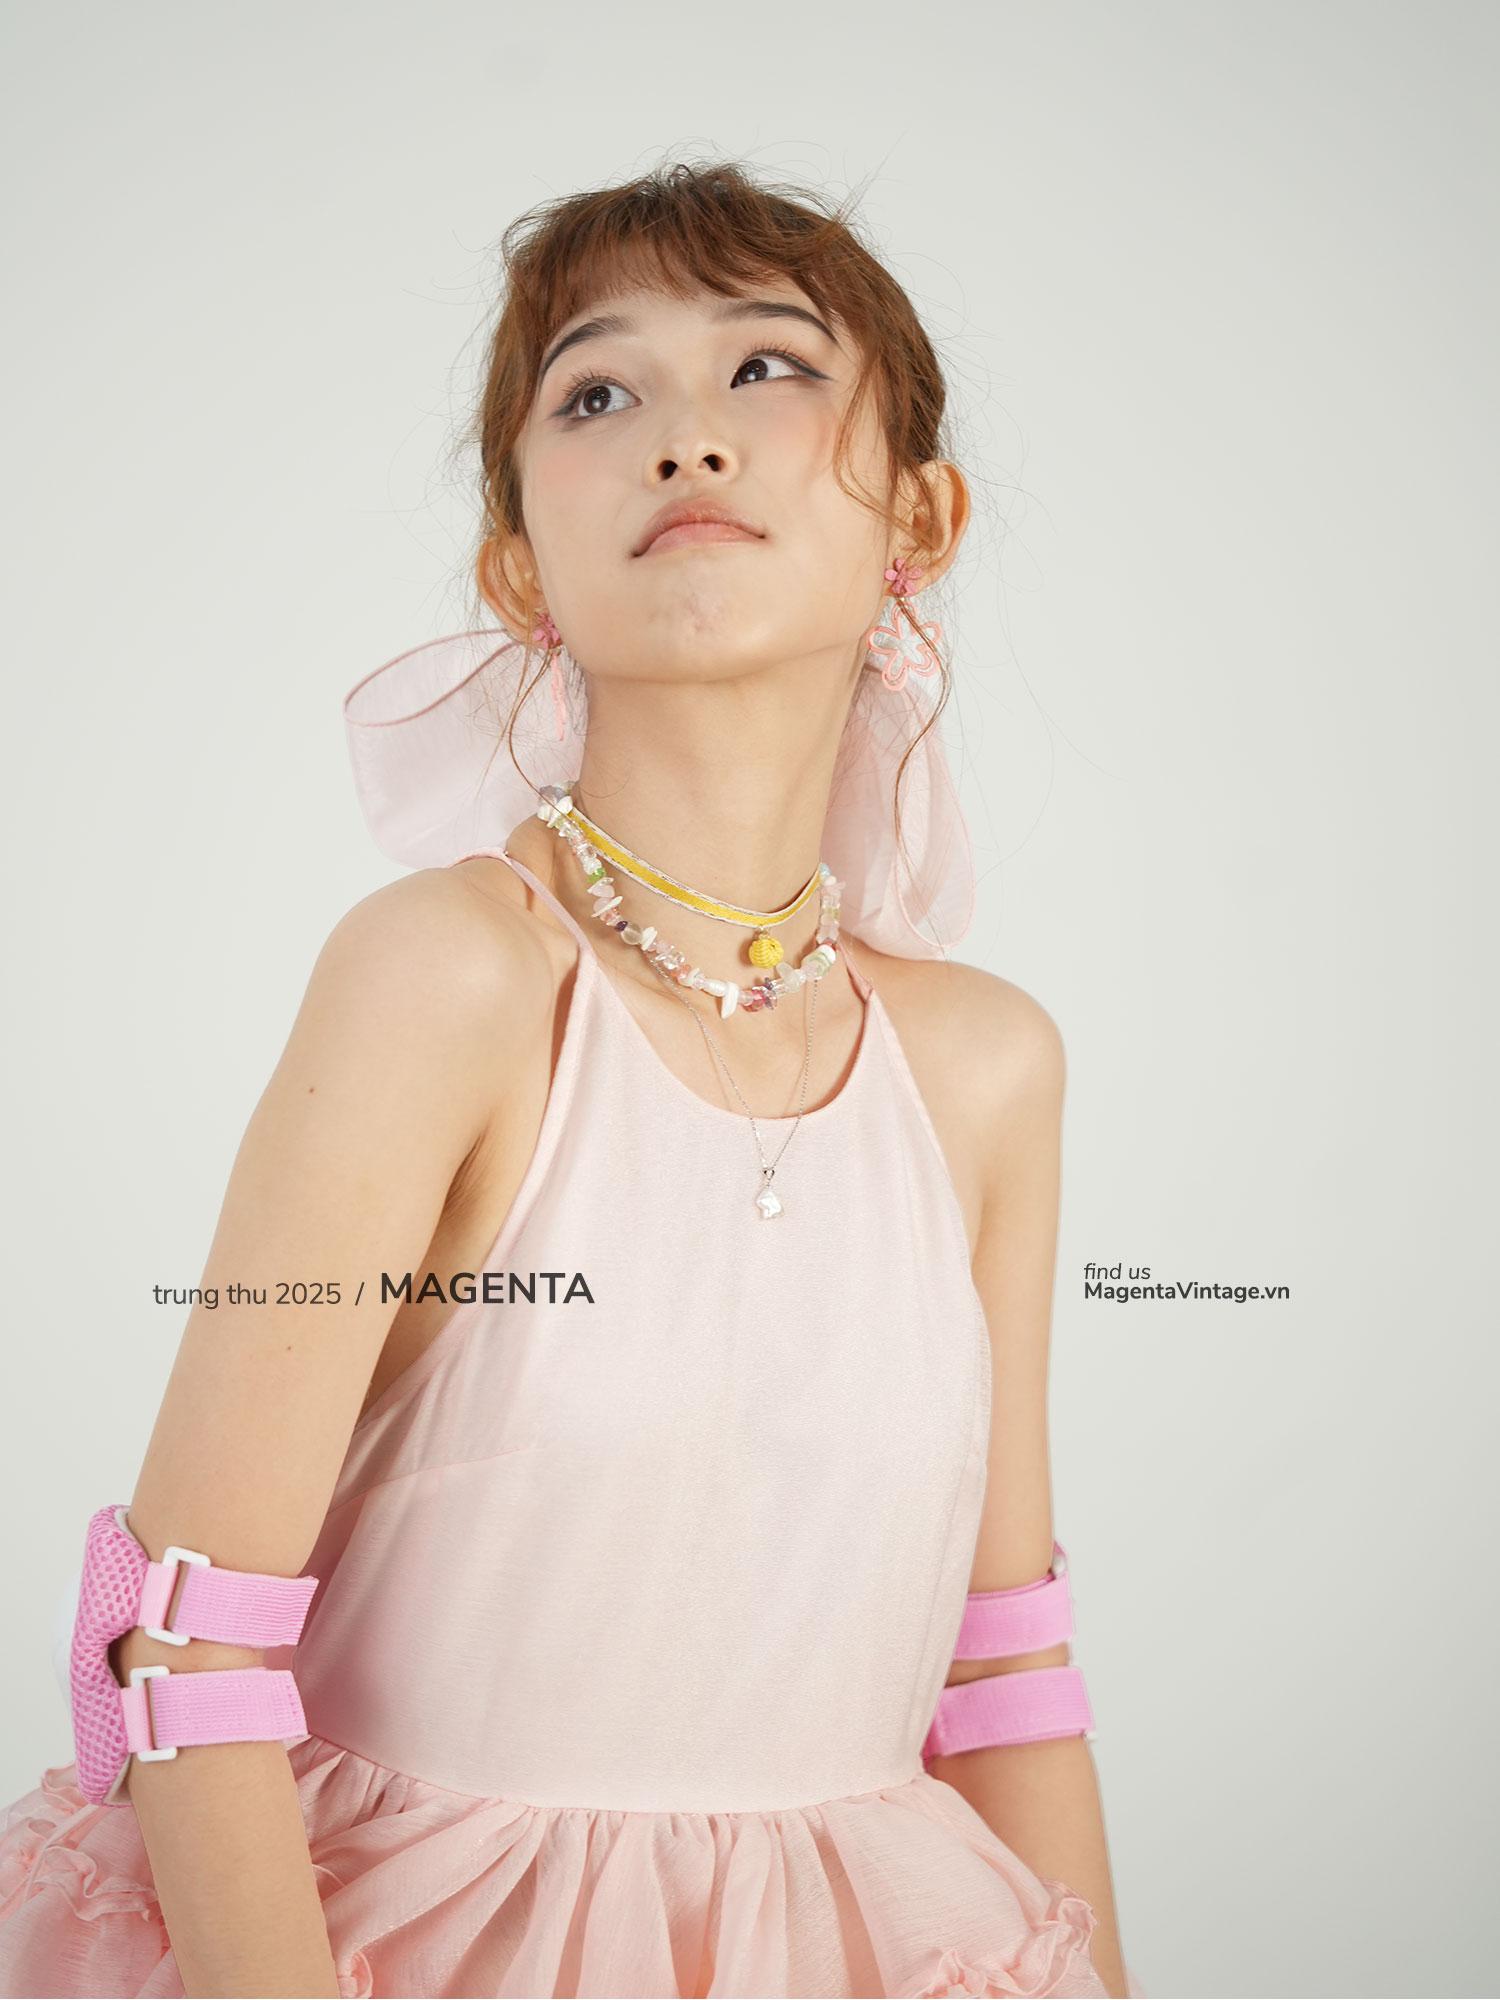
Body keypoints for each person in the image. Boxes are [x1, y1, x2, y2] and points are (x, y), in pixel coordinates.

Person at [0, 159, 1141, 1999]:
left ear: (918, 515)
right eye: (597, 394)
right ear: (518, 565)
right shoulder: (449, 977)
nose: (686, 436)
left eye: (769, 367)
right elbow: (186, 1646)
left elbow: (1004, 1664)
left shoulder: (984, 1068)